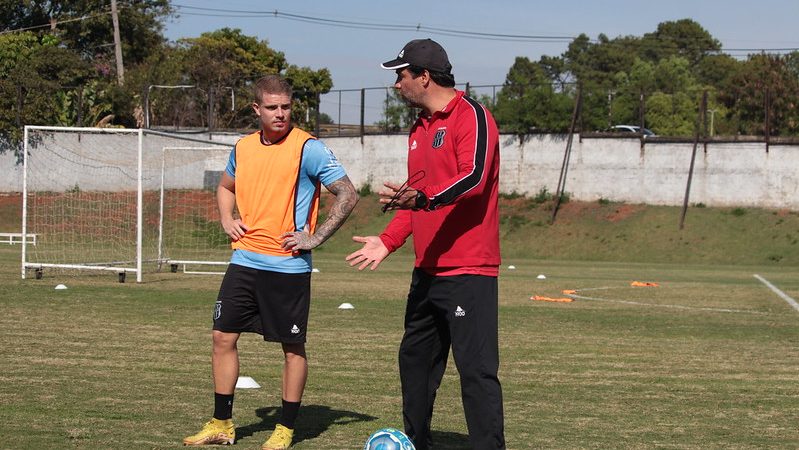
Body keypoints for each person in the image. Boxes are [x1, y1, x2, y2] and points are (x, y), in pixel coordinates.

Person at [346, 39, 505, 449]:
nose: (397, 85)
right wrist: (388, 240)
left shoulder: (473, 116)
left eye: (401, 75)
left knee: (476, 372)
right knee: (414, 363)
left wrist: (426, 198)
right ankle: (416, 443)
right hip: (427, 272)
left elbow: (474, 179)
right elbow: (413, 200)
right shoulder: (419, 128)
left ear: (423, 76)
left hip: (469, 270)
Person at [184, 74, 358, 449]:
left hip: (288, 267)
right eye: (272, 107)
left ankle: (285, 428)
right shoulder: (243, 147)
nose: (281, 114)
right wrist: (226, 218)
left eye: (286, 107)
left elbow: (347, 192)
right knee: (221, 337)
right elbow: (225, 186)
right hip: (244, 261)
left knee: (292, 348)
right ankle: (221, 423)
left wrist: (316, 237)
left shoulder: (307, 147)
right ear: (256, 109)